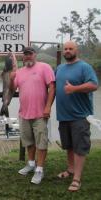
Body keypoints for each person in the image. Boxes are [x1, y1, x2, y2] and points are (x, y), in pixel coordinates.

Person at [55, 41, 98, 192]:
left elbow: (94, 85)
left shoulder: (84, 67)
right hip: (63, 116)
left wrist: (74, 88)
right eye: (65, 48)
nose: (67, 51)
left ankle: (76, 179)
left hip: (80, 116)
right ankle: (70, 170)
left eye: (70, 49)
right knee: (69, 146)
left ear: (76, 51)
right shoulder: (59, 68)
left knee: (80, 148)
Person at [11, 47, 55, 184]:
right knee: (28, 141)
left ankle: (39, 169)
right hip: (24, 113)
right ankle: (31, 164)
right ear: (22, 57)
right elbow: (12, 90)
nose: (28, 57)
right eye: (25, 55)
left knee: (41, 142)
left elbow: (52, 87)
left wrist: (48, 107)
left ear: (35, 55)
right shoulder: (19, 72)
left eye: (30, 54)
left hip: (40, 113)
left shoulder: (45, 67)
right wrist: (11, 78)